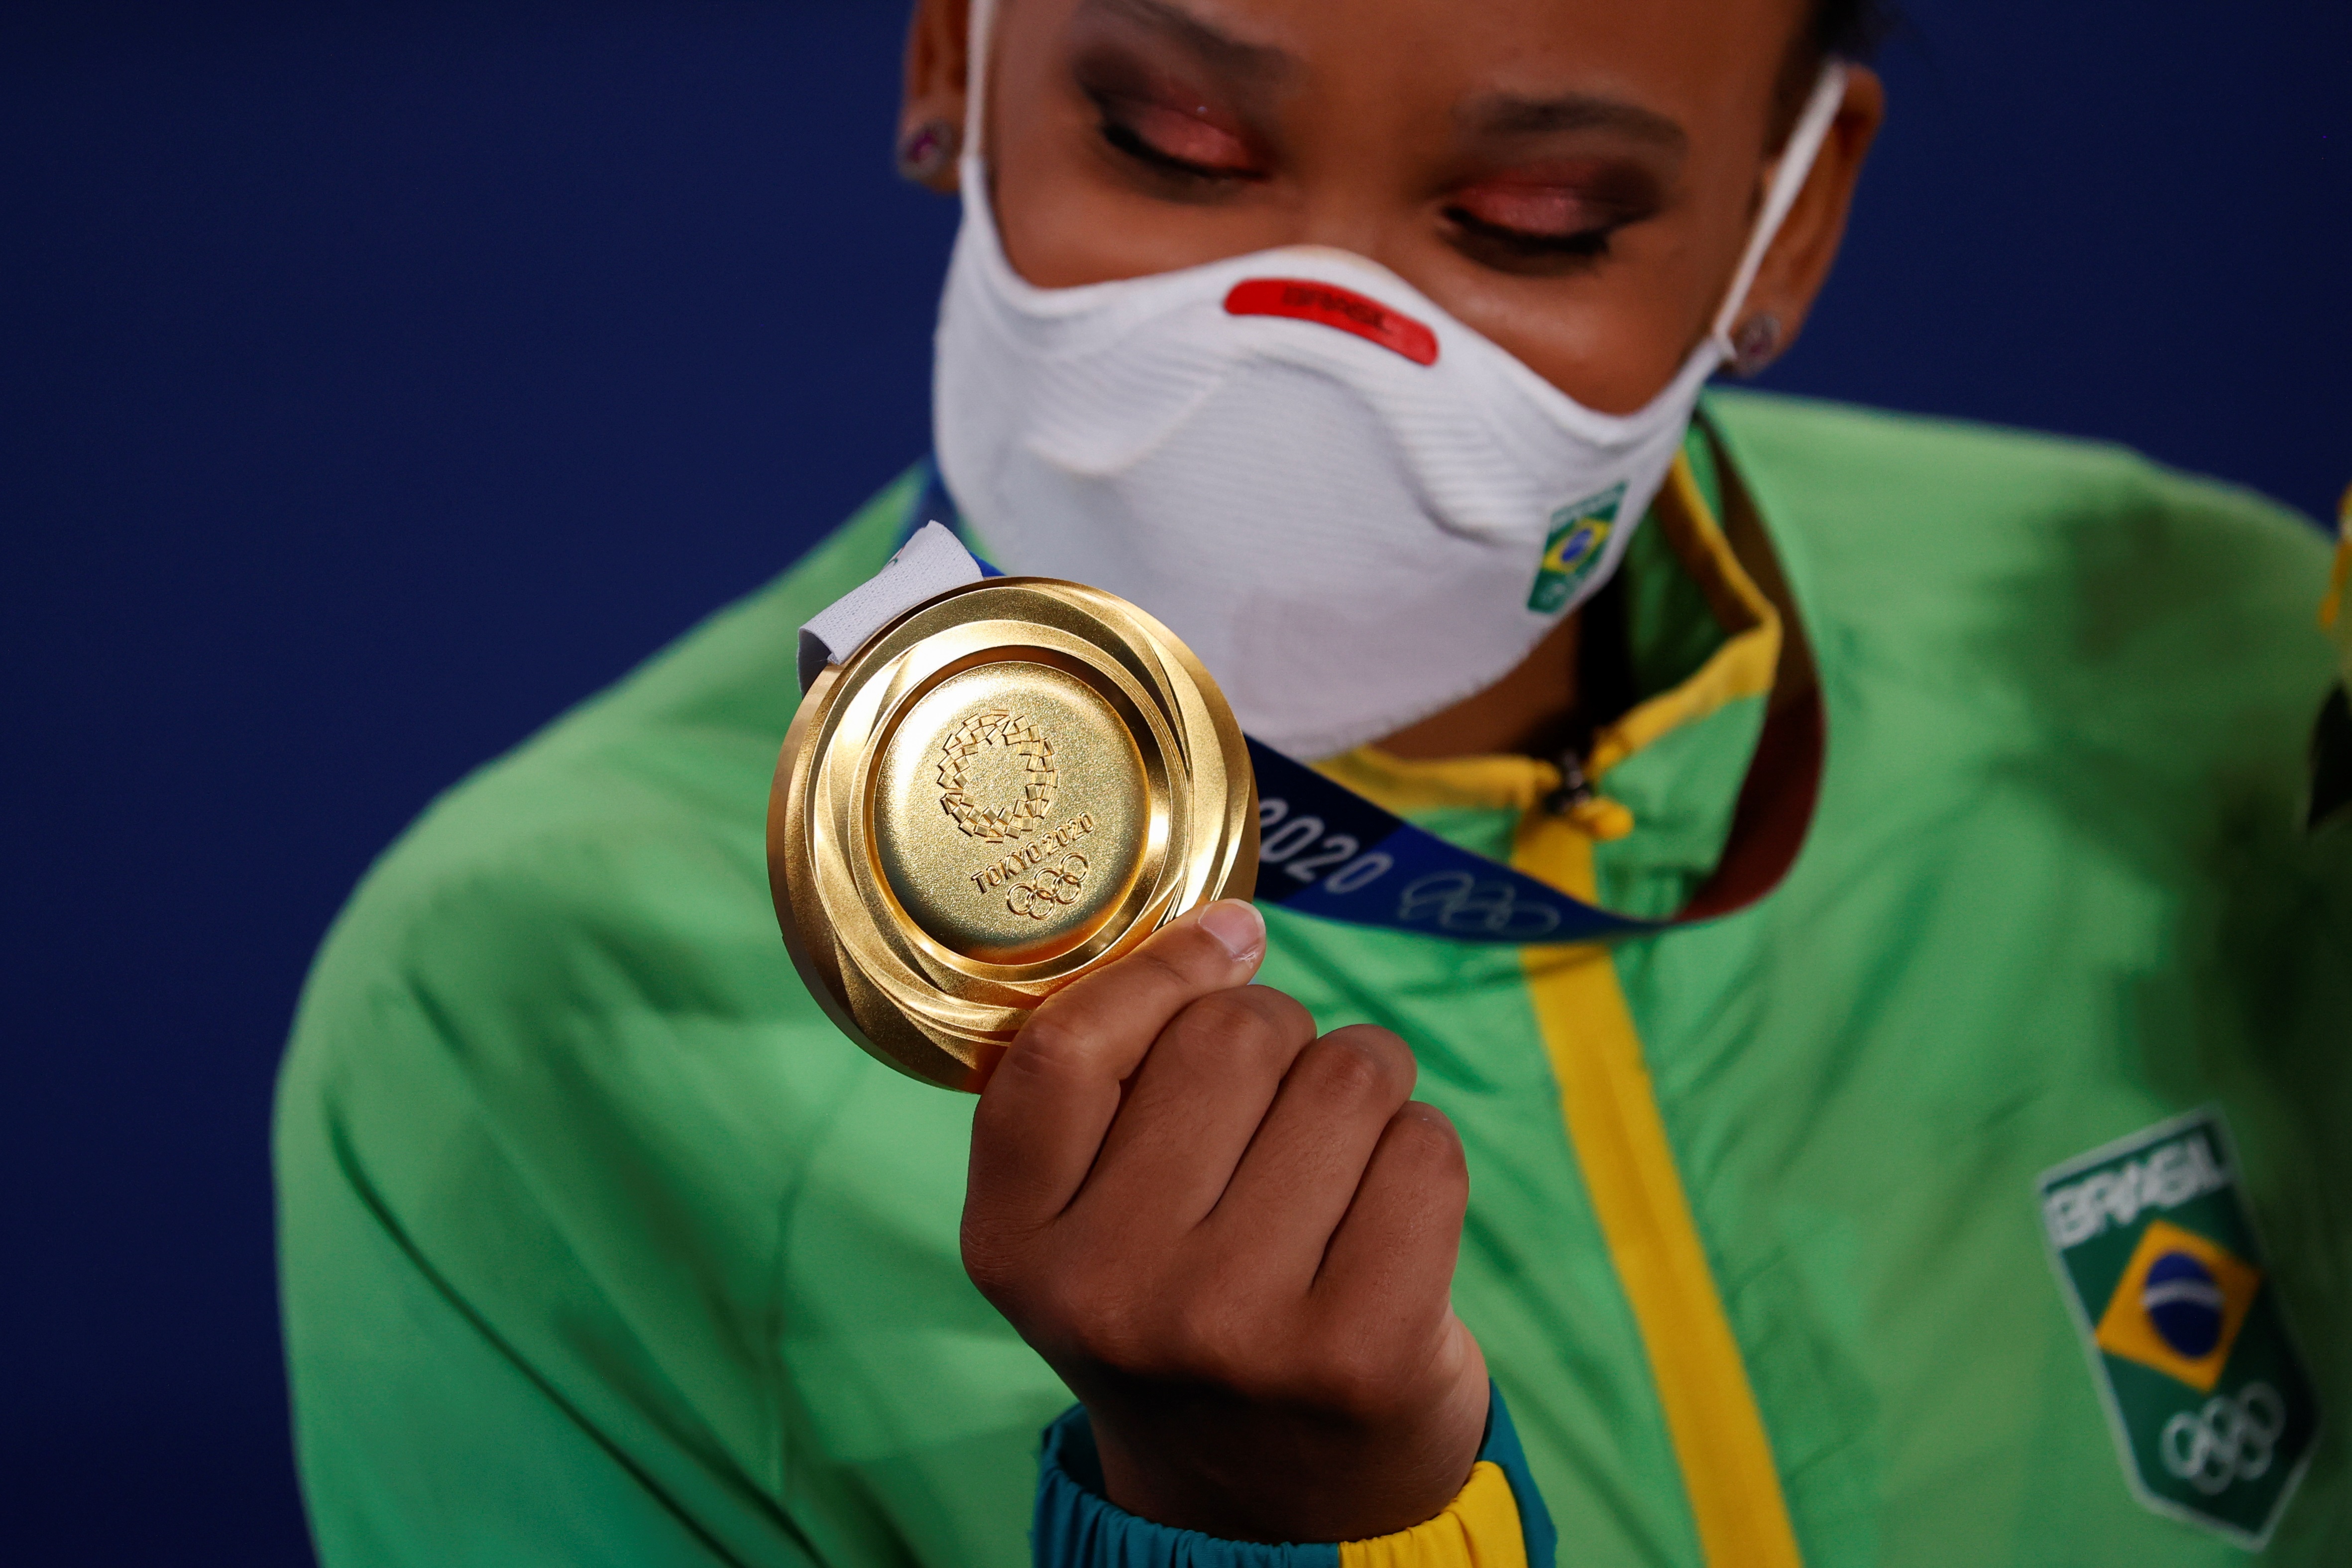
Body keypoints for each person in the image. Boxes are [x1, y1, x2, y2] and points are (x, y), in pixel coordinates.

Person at [274, 0, 2352, 1563]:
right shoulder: (528, 1015)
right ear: (949, 53)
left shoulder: (2229, 667)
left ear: (1786, 221)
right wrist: (1254, 1528)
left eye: (1536, 219)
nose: (1307, 342)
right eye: (1171, 143)